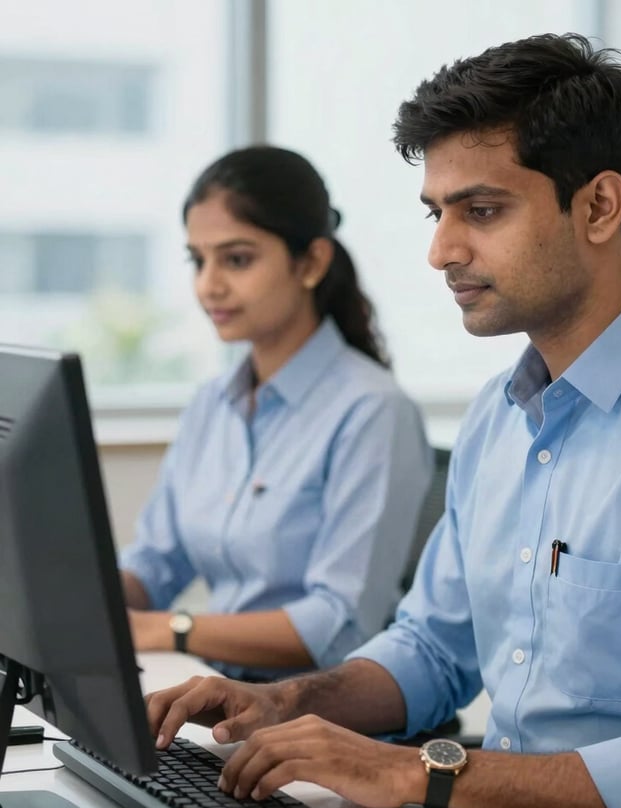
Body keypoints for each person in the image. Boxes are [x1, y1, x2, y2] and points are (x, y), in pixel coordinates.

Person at [143, 34, 621, 808]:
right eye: (436, 213)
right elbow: (434, 652)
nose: (441, 251)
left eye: (481, 211)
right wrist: (285, 702)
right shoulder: (497, 417)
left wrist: (415, 771)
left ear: (599, 207)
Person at [121, 145, 433, 680]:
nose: (209, 285)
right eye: (199, 260)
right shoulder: (210, 405)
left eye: (236, 259)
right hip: (213, 694)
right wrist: (74, 604)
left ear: (310, 262)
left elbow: (337, 623)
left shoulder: (373, 411)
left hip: (312, 723)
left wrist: (168, 629)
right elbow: (155, 563)